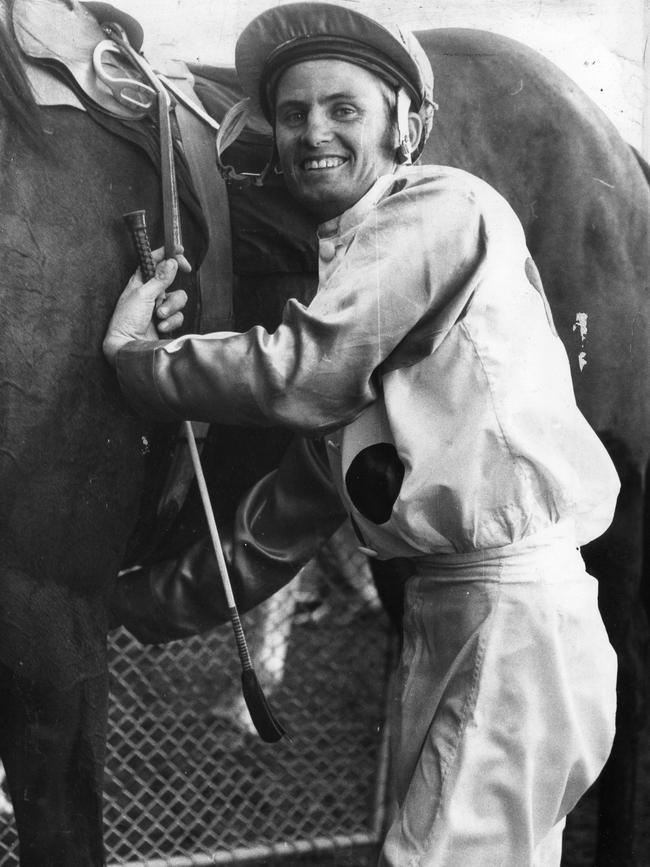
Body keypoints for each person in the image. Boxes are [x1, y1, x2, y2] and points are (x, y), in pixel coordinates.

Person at [103, 3, 620, 864]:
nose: (313, 132)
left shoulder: (442, 207)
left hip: (515, 614)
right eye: (295, 112)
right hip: (456, 616)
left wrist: (138, 361)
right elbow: (283, 525)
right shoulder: (365, 317)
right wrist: (118, 602)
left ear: (406, 126)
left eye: (344, 109)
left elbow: (300, 372)